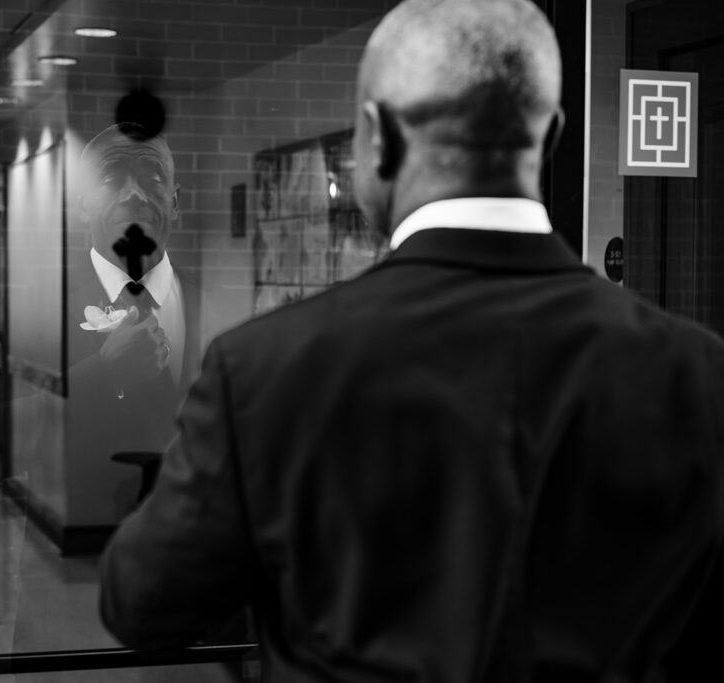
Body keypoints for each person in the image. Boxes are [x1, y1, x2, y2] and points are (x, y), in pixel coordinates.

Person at [98, 0, 724, 681]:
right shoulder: (698, 374)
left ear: (378, 137)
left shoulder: (262, 370)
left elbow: (142, 603)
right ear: (551, 139)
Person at [66, 122, 206, 519]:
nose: (133, 194)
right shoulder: (43, 307)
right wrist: (103, 374)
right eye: (111, 180)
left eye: (152, 178)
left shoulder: (218, 307)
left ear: (175, 202)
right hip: (85, 554)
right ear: (82, 204)